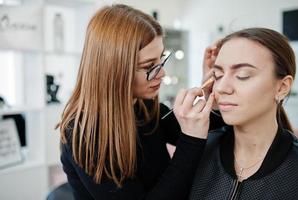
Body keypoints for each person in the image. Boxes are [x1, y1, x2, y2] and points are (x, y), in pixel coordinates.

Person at [58, 4, 224, 200]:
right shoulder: (84, 134)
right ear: (114, 70)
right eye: (149, 66)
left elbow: (207, 130)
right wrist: (191, 139)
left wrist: (211, 92)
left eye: (161, 59)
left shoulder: (145, 107)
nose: (162, 73)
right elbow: (191, 142)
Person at [176, 28, 298, 199]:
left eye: (243, 75)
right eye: (218, 75)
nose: (221, 88)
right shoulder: (198, 152)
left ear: (282, 87)